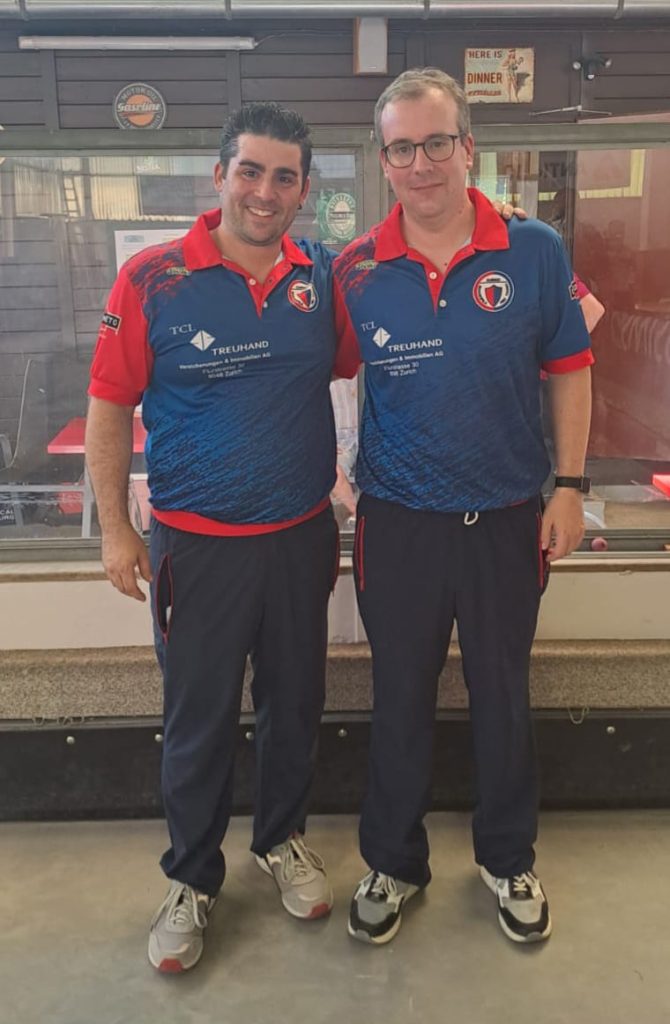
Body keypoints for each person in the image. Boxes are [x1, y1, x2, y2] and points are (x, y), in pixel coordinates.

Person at [85, 102, 358, 974]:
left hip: (300, 539)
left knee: (294, 706)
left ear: (304, 192)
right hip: (195, 548)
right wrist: (117, 530)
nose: (264, 191)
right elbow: (108, 407)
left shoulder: (321, 277)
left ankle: (281, 840)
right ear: (219, 175)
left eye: (284, 177)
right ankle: (192, 877)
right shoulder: (153, 280)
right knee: (197, 718)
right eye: (250, 171)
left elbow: (364, 362)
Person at [333, 68, 594, 946]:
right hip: (397, 522)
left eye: (436, 143)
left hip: (508, 519)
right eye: (403, 148)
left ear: (468, 147)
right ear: (384, 160)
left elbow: (571, 368)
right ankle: (393, 861)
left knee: (503, 696)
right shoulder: (356, 268)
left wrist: (569, 488)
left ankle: (508, 857)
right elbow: (314, 374)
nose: (421, 163)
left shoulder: (534, 249)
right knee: (399, 696)